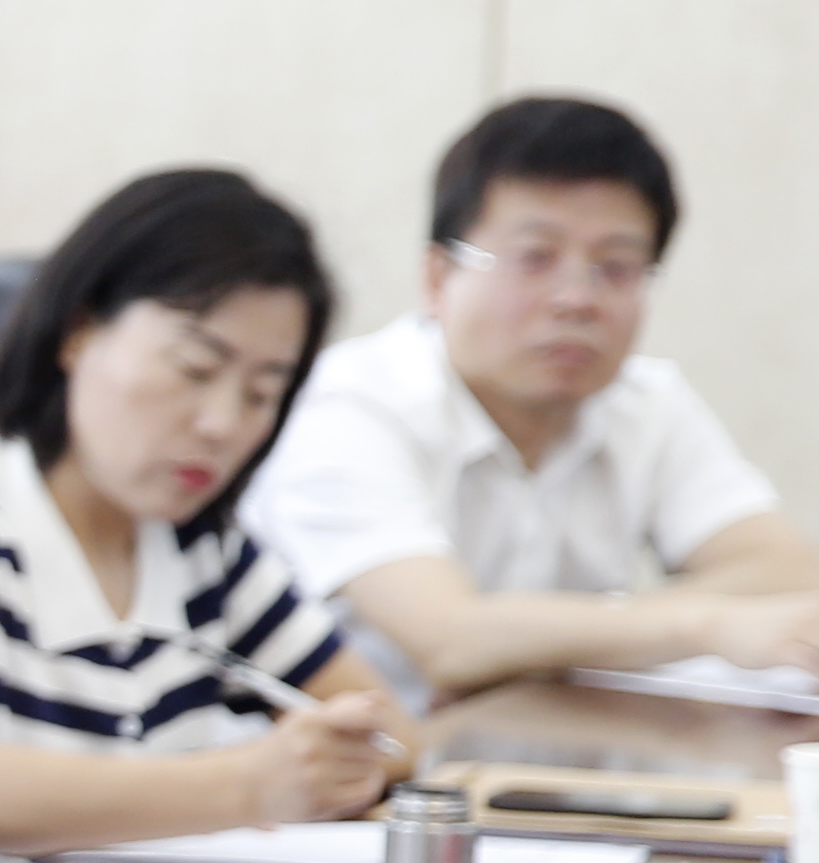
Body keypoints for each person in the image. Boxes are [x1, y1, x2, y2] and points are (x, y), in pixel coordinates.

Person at [0, 169, 422, 863]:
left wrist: (325, 759)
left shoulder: (203, 549)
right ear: (78, 331)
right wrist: (247, 783)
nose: (222, 424)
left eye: (262, 393)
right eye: (195, 368)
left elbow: (392, 737)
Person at [241, 95, 819, 704]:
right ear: (438, 278)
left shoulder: (647, 403)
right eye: (535, 259)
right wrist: (704, 626)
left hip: (552, 745)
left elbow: (789, 572)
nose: (577, 299)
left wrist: (561, 636)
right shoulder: (349, 405)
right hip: (369, 754)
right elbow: (448, 639)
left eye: (617, 267)